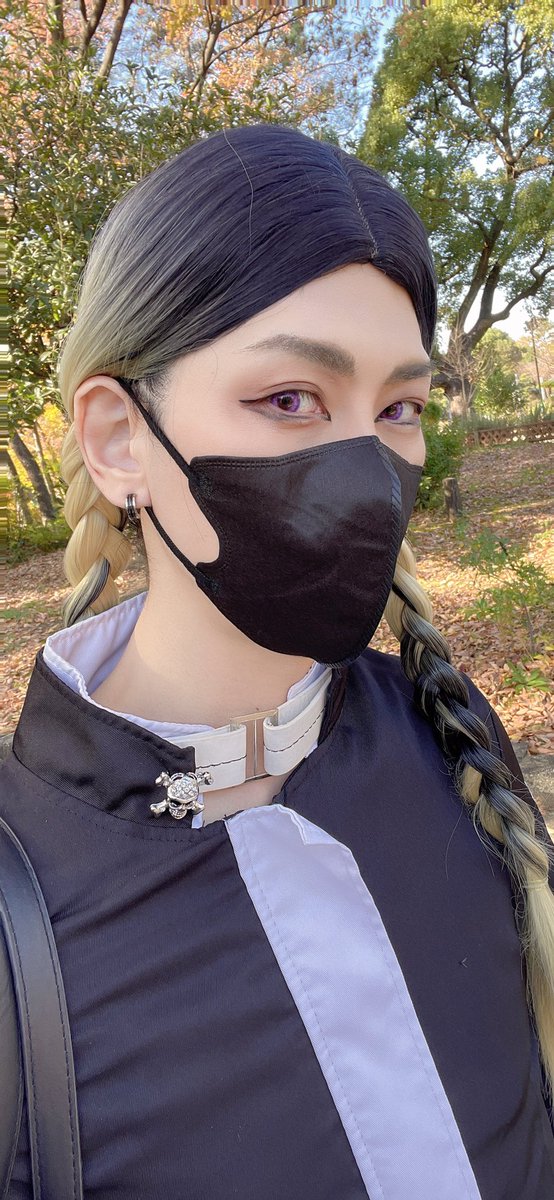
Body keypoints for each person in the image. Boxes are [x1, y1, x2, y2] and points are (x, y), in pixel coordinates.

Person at [1, 123, 553, 1200]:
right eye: (290, 398)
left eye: (398, 408)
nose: (369, 469)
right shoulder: (23, 904)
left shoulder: (445, 736)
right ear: (118, 440)